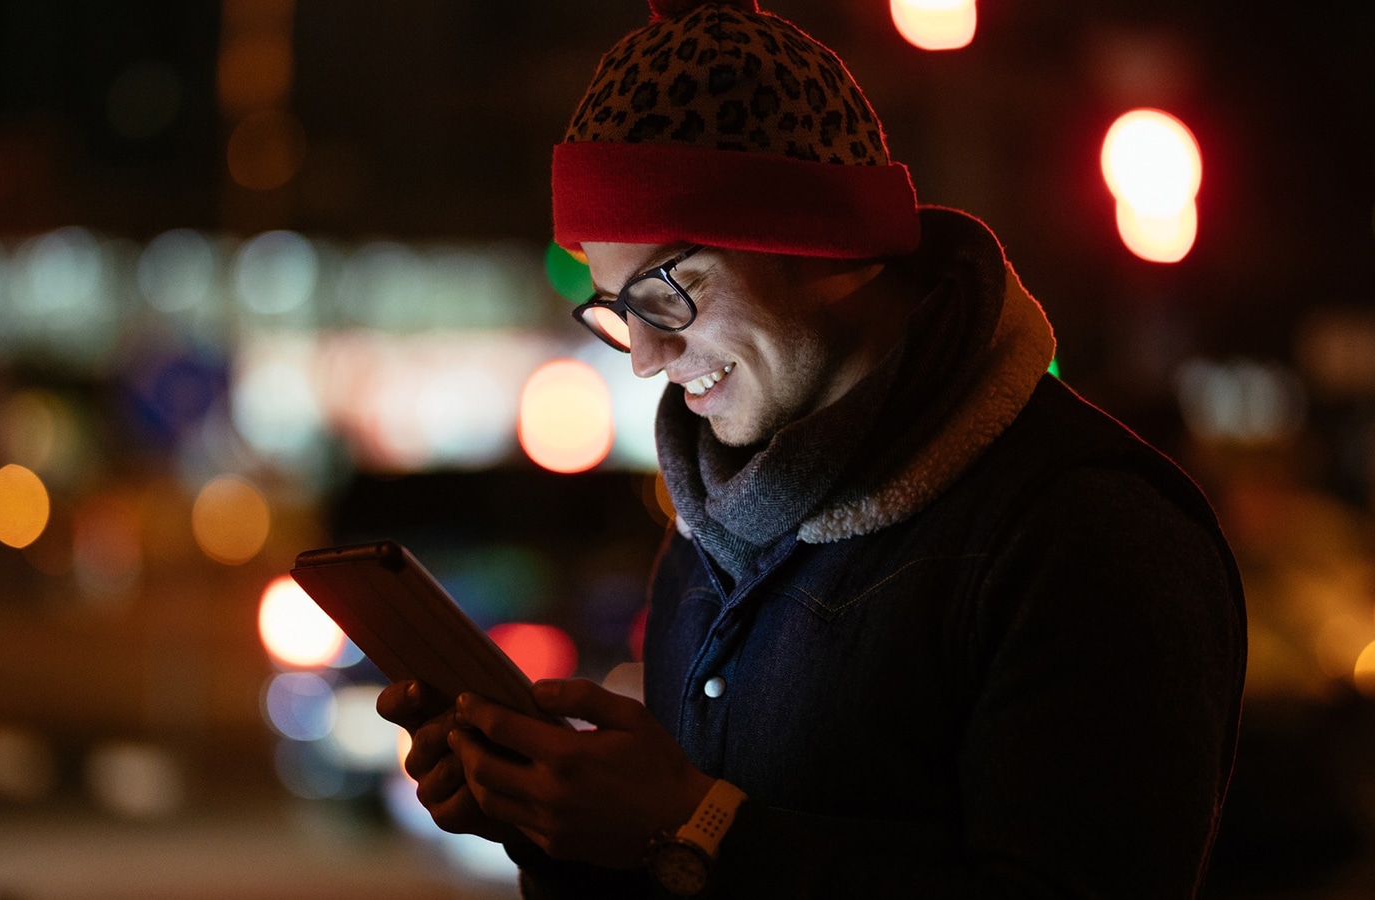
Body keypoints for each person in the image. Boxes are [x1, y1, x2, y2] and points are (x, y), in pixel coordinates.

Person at [378, 1, 1247, 896]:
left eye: (668, 290)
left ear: (827, 245)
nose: (643, 358)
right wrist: (554, 826)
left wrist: (696, 829)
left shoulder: (1085, 529)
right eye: (616, 309)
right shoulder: (711, 527)